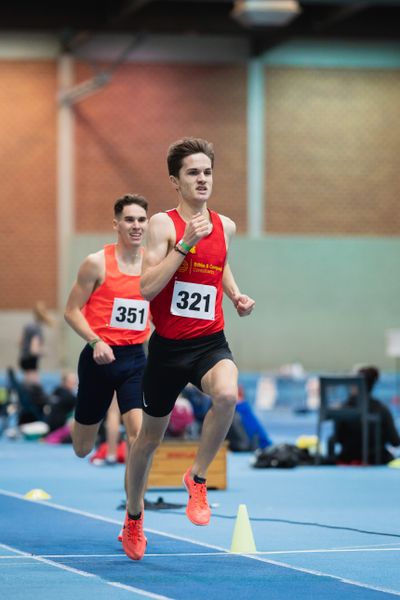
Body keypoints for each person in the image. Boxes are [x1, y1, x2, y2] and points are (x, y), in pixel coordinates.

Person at [122, 137, 255, 561]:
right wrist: (184, 244)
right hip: (166, 350)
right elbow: (145, 288)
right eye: (193, 173)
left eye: (207, 172)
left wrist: (234, 294)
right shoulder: (163, 225)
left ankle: (196, 479)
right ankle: (134, 517)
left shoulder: (226, 225)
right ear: (175, 181)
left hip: (209, 341)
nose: (202, 179)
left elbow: (220, 262)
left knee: (228, 394)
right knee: (147, 441)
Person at [64, 193, 150, 535]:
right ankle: (82, 422)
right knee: (82, 448)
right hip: (99, 358)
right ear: (116, 224)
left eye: (142, 220)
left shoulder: (153, 263)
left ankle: (133, 517)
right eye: (129, 219)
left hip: (135, 360)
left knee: (140, 436)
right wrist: (95, 340)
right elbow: (71, 310)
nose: (136, 226)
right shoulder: (96, 263)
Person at [334, 366, 400, 465]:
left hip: (347, 458)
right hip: (376, 460)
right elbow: (395, 441)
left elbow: (337, 438)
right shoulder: (382, 409)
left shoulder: (343, 408)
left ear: (355, 384)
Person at [19, 301, 54, 384]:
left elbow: (20, 342)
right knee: (34, 385)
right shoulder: (37, 329)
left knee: (26, 385)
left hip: (23, 360)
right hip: (31, 362)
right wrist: (44, 352)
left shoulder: (28, 326)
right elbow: (33, 350)